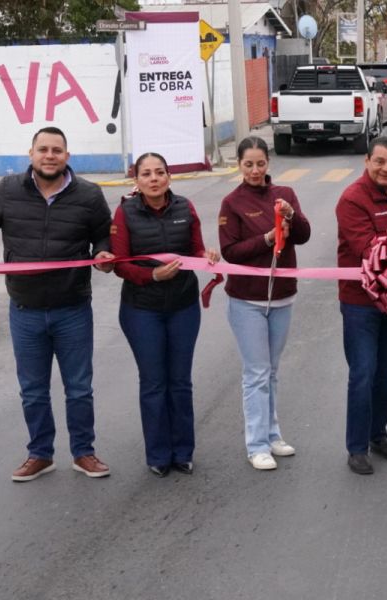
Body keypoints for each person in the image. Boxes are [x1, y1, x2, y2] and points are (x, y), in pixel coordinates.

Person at [0, 126, 115, 482]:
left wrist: (102, 252)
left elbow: (104, 233)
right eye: (43, 149)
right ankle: (40, 453)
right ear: (31, 154)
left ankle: (84, 452)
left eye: (57, 150)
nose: (49, 155)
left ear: (67, 157)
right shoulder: (8, 190)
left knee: (80, 387)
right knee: (33, 390)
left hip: (73, 309)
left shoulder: (88, 194)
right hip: (25, 310)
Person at [111, 152, 219, 477]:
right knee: (154, 383)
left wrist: (207, 255)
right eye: (147, 174)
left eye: (160, 172)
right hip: (141, 309)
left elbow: (197, 248)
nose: (154, 179)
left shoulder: (186, 208)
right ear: (137, 180)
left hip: (183, 306)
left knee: (180, 382)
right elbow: (120, 264)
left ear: (169, 177)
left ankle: (183, 452)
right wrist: (151, 277)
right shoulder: (125, 212)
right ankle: (158, 455)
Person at [219, 136, 311, 471]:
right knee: (256, 373)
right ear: (239, 165)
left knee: (271, 371)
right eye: (248, 164)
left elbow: (303, 234)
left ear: (268, 163)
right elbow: (230, 252)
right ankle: (256, 444)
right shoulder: (232, 202)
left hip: (282, 295)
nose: (255, 170)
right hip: (247, 299)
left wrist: (292, 217)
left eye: (260, 164)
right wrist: (266, 240)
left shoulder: (285, 195)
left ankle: (273, 435)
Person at [336, 136, 387, 475]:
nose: (386, 168)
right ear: (367, 161)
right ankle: (356, 447)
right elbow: (369, 249)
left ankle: (378, 434)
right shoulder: (352, 199)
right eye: (379, 161)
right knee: (363, 373)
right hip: (360, 302)